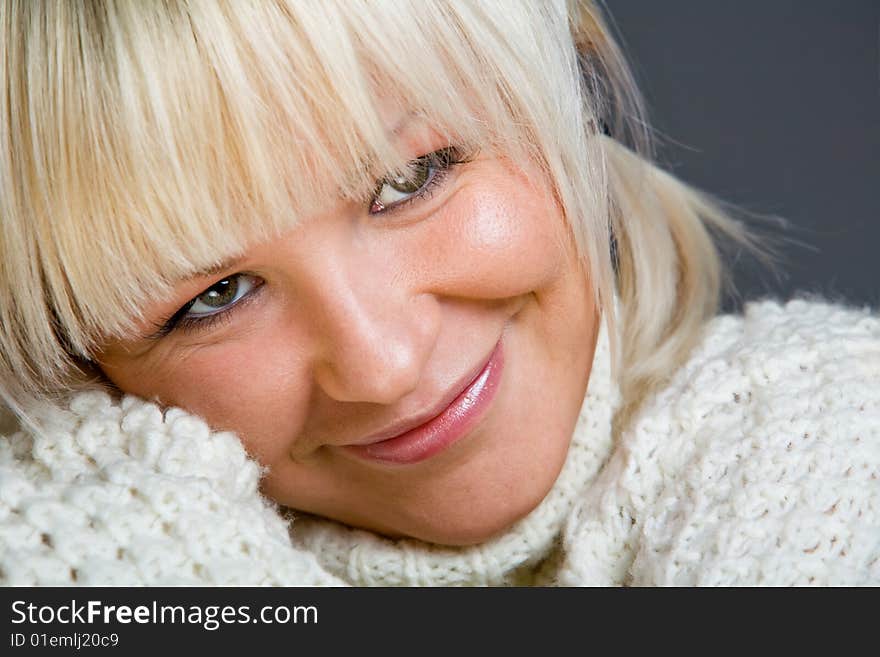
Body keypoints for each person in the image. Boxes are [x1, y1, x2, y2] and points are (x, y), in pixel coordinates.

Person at [0, 0, 877, 587]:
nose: (381, 363)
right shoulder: (75, 540)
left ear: (560, 93)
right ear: (78, 366)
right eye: (216, 296)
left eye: (411, 177)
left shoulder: (825, 445)